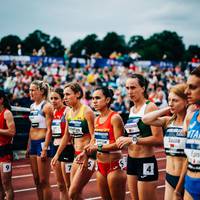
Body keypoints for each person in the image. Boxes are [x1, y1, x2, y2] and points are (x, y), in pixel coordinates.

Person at [116, 73, 163, 200]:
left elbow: (158, 139)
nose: (130, 91)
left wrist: (132, 140)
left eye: (133, 87)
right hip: (131, 160)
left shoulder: (150, 107)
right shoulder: (131, 109)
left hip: (145, 160)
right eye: (127, 88)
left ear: (142, 88)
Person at [142, 84, 188, 200]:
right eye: (169, 100)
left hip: (187, 177)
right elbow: (145, 119)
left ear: (186, 101)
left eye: (175, 100)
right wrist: (169, 108)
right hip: (169, 176)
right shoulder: (168, 121)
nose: (171, 103)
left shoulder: (191, 124)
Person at [51, 82, 95, 200]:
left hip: (88, 156)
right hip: (76, 156)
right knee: (74, 193)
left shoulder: (87, 111)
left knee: (72, 193)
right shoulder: (69, 113)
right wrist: (57, 154)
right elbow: (66, 136)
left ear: (78, 94)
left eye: (68, 94)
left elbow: (94, 137)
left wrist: (86, 153)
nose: (65, 98)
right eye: (64, 95)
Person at [82, 86, 127, 200]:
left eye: (97, 98)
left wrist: (98, 147)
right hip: (100, 166)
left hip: (114, 166)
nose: (94, 101)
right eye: (93, 98)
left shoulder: (115, 117)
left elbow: (119, 144)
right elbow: (94, 139)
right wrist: (86, 151)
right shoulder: (97, 119)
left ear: (107, 100)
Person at [174, 66, 200, 200]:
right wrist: (178, 189)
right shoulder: (191, 118)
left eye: (192, 87)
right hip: (190, 184)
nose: (186, 91)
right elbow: (188, 158)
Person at [27, 80, 54, 200]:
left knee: (44, 181)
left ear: (41, 91)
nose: (30, 92)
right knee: (36, 180)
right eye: (30, 90)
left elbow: (49, 129)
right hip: (33, 144)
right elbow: (32, 127)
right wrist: (28, 145)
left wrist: (44, 148)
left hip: (43, 143)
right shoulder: (32, 106)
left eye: (33, 90)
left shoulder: (47, 106)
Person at [50, 88, 74, 200]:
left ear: (62, 99)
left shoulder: (67, 111)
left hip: (67, 148)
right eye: (51, 98)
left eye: (56, 98)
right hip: (55, 147)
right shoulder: (54, 111)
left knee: (70, 185)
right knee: (60, 186)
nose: (53, 101)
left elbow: (67, 134)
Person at [0, 90, 15, 200]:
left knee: (6, 184)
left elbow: (12, 132)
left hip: (5, 151)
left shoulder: (7, 113)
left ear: (1, 100)